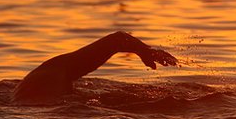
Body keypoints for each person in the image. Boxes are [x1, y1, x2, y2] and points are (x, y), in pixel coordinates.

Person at [13, 31, 178, 103]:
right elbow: (117, 39)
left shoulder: (42, 76)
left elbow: (116, 40)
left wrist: (144, 51)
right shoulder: (48, 75)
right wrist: (145, 51)